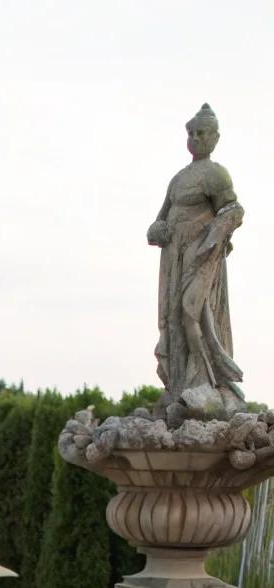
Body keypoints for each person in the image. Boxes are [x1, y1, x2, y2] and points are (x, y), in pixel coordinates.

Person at [148, 103, 245, 419]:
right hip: (174, 258)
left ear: (215, 138)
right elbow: (157, 222)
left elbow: (233, 211)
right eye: (191, 133)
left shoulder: (216, 174)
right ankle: (179, 386)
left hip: (200, 256)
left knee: (193, 311)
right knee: (174, 318)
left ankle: (208, 381)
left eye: (201, 133)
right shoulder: (178, 179)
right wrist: (158, 230)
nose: (195, 138)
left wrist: (212, 239)